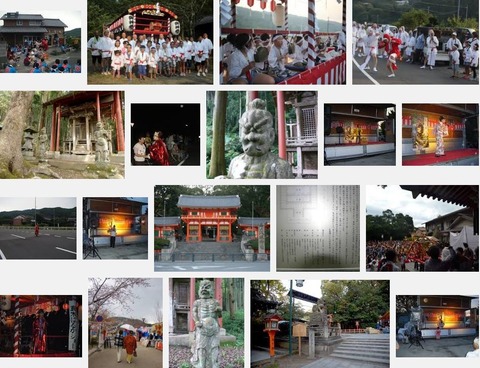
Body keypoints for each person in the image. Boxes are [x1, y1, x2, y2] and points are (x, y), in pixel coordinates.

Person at [190, 279, 222, 368]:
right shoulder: (197, 302)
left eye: (207, 287)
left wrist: (219, 310)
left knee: (214, 346)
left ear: (212, 290)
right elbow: (194, 313)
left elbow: (219, 316)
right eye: (202, 287)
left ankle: (214, 364)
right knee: (201, 347)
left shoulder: (215, 302)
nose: (204, 289)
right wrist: (196, 321)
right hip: (202, 328)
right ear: (199, 289)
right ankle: (201, 364)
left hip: (214, 329)